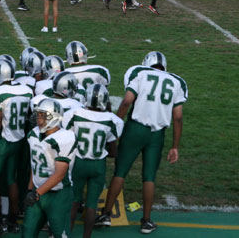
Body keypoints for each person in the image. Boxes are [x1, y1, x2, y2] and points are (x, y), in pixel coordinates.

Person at [98, 51, 187, 234]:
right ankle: (146, 221)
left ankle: (106, 214)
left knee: (120, 172)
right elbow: (178, 118)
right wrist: (175, 146)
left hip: (135, 129)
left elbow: (126, 102)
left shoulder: (139, 73)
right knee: (149, 177)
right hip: (157, 134)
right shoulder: (177, 82)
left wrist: (115, 127)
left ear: (146, 62)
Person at [0, 59, 33, 236]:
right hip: (18, 140)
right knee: (11, 180)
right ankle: (13, 221)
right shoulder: (26, 90)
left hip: (1, 142)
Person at [64, 85, 123, 238]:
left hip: (79, 162)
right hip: (98, 165)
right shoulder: (112, 120)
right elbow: (113, 152)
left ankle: (66, 234)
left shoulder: (74, 114)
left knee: (74, 202)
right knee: (91, 205)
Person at [21, 99, 76, 238]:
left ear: (55, 117)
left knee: (60, 234)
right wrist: (30, 189)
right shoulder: (33, 134)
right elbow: (35, 165)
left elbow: (60, 174)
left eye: (43, 115)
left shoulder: (64, 138)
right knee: (27, 232)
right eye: (38, 115)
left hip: (58, 195)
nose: (38, 119)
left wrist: (36, 193)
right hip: (37, 191)